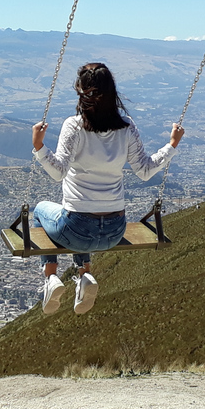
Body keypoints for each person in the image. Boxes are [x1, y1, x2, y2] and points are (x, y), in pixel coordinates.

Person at [31, 62, 184, 315]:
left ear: (82, 92)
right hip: (115, 230)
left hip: (76, 230)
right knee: (84, 219)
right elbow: (145, 170)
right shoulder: (126, 126)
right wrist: (172, 145)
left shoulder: (74, 126)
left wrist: (39, 146)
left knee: (40, 211)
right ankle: (84, 276)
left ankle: (51, 278)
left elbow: (58, 172)